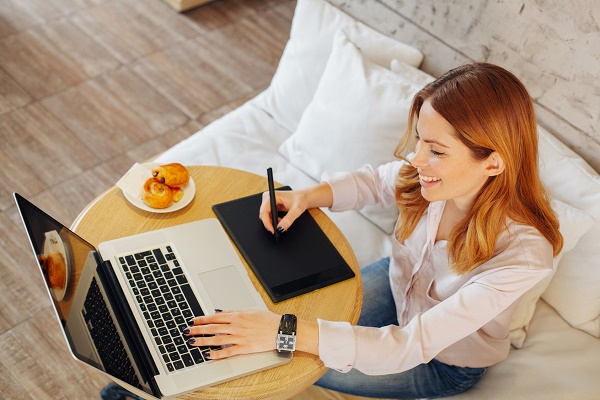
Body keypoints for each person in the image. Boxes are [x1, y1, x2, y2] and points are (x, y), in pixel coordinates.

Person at [102, 62, 563, 399]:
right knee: (266, 313)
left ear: (494, 161)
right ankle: (146, 371)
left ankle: (141, 391)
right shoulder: (425, 178)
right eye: (420, 139)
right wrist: (308, 196)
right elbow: (376, 181)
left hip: (442, 361)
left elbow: (408, 346)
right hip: (396, 285)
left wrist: (283, 333)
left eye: (436, 151)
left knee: (272, 355)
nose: (417, 159)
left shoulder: (522, 256)